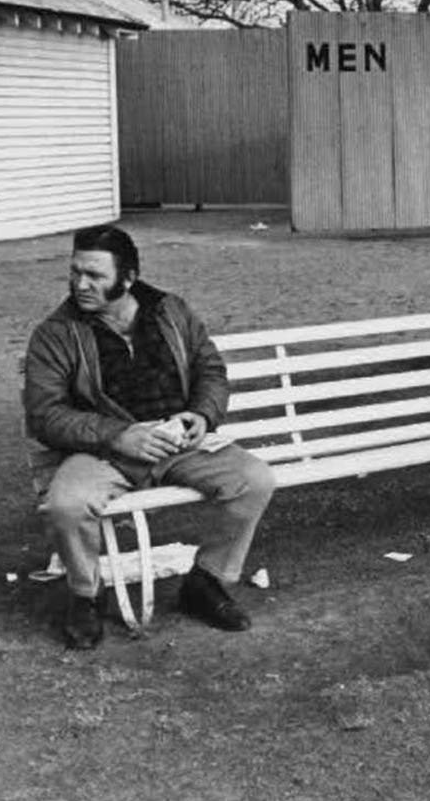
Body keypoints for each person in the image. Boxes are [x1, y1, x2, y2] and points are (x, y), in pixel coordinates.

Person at [23, 224, 276, 649]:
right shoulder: (56, 333)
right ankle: (85, 596)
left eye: (95, 276)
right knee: (66, 504)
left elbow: (209, 370)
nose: (80, 285)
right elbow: (45, 415)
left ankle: (206, 582)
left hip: (177, 441)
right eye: (75, 272)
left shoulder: (171, 311)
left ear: (128, 277)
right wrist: (118, 435)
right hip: (104, 449)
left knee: (254, 481)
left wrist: (202, 414)